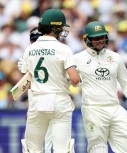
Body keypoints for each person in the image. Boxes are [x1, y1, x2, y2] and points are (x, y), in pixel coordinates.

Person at [74, 21, 127, 153]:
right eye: (96, 38)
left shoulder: (115, 57)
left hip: (115, 108)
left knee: (126, 148)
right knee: (98, 148)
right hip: (93, 110)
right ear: (87, 39)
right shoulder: (77, 59)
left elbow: (126, 84)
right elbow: (65, 80)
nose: (100, 40)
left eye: (102, 36)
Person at [18, 8, 80, 153]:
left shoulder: (29, 49)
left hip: (37, 100)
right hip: (60, 101)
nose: (62, 30)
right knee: (61, 149)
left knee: (33, 148)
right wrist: (66, 80)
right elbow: (75, 79)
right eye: (61, 27)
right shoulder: (63, 49)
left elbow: (27, 80)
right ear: (54, 27)